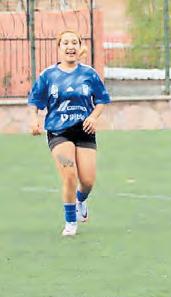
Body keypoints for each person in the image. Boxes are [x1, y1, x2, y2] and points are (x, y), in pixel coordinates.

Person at [27, 30, 110, 236]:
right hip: (59, 132)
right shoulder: (48, 75)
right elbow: (35, 101)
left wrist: (93, 117)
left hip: (84, 131)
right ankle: (70, 222)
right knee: (69, 174)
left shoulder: (89, 74)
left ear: (79, 47)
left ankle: (81, 200)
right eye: (65, 43)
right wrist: (34, 119)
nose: (70, 46)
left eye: (74, 42)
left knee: (87, 181)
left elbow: (101, 100)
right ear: (59, 48)